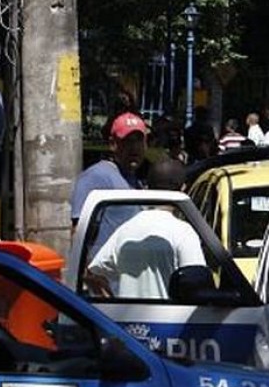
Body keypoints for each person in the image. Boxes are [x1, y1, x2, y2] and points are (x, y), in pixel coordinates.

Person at [84, 159, 206, 300]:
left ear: (147, 188)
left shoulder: (125, 229)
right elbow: (197, 284)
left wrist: (111, 303)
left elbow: (94, 273)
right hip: (171, 318)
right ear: (184, 189)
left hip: (127, 319)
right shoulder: (183, 232)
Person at [70, 111, 147, 240]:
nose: (135, 147)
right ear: (113, 144)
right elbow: (79, 231)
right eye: (128, 141)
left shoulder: (134, 181)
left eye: (139, 141)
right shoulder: (96, 177)